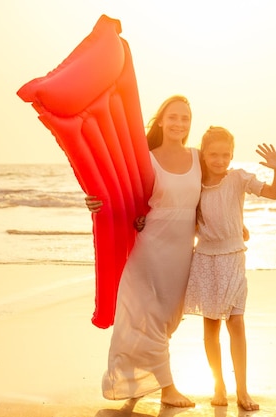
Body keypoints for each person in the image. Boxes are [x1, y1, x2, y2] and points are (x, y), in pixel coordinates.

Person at [85, 95, 200, 408]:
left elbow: (218, 192)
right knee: (146, 317)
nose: (179, 123)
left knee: (168, 321)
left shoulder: (198, 158)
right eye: (173, 117)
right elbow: (118, 192)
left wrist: (233, 224)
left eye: (185, 118)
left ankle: (134, 381)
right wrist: (95, 201)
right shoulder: (145, 158)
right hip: (150, 246)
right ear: (161, 120)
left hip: (181, 253)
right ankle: (168, 389)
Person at [183, 126, 276, 411]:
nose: (219, 160)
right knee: (211, 324)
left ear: (232, 155)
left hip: (234, 257)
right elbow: (180, 216)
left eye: (225, 154)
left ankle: (242, 390)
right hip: (204, 258)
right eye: (214, 154)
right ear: (204, 155)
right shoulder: (195, 184)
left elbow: (275, 194)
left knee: (236, 322)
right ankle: (218, 385)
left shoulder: (239, 178)